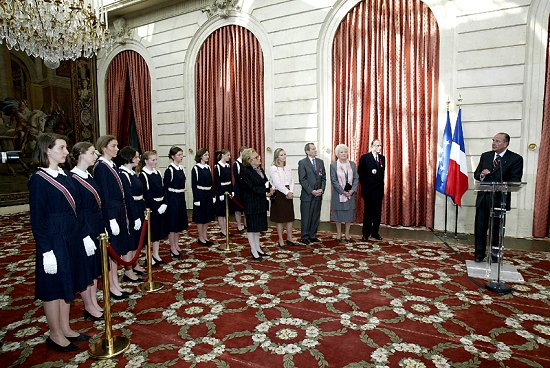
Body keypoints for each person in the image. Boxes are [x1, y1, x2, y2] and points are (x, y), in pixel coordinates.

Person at [29, 133, 88, 352]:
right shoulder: (38, 179)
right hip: (53, 239)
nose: (66, 152)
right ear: (48, 150)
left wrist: (82, 237)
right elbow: (37, 219)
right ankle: (54, 334)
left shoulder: (64, 176)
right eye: (62, 148)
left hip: (70, 236)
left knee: (67, 282)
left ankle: (65, 327)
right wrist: (46, 251)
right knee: (53, 287)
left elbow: (77, 208)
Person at [473, 132, 523, 262]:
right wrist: (482, 175)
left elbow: (515, 180)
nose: (494, 143)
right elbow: (476, 174)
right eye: (493, 140)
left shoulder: (515, 159)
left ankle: (495, 256)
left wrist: (499, 182)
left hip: (500, 199)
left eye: (498, 141)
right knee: (480, 227)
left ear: (506, 144)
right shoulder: (486, 156)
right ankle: (479, 254)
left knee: (496, 229)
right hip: (484, 197)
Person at [69, 142, 104, 321]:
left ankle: (94, 301)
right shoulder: (73, 178)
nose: (95, 156)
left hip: (95, 225)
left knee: (94, 266)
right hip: (84, 228)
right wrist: (84, 236)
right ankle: (88, 306)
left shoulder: (88, 175)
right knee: (85, 269)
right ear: (82, 154)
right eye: (92, 153)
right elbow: (75, 211)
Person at [94, 135, 131, 299]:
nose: (117, 149)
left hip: (119, 210)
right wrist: (111, 219)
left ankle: (115, 283)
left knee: (117, 251)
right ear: (104, 148)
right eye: (114, 146)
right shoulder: (101, 167)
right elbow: (105, 196)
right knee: (112, 252)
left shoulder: (111, 165)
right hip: (111, 213)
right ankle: (111, 286)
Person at [117, 146, 147, 280]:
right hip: (131, 209)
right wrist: (134, 216)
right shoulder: (123, 174)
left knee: (137, 238)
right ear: (129, 158)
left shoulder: (131, 172)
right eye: (136, 157)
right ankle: (128, 271)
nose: (138, 159)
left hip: (139, 206)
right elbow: (128, 197)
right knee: (130, 239)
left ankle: (134, 263)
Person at [240, 148, 275, 260]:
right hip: (251, 202)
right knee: (252, 227)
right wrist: (266, 193)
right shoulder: (245, 171)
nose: (259, 158)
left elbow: (264, 182)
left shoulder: (260, 169)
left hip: (260, 202)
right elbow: (251, 187)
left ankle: (258, 248)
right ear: (249, 160)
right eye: (256, 157)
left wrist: (269, 190)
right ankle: (253, 250)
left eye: (258, 156)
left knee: (258, 227)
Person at [139, 150, 169, 265]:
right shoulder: (143, 175)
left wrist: (165, 203)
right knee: (150, 233)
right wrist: (157, 208)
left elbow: (163, 189)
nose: (155, 162)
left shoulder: (158, 173)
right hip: (152, 208)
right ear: (146, 161)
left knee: (159, 232)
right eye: (153, 160)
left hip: (161, 206)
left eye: (156, 159)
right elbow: (146, 194)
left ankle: (156, 254)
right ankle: (148, 256)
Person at [298, 143, 326, 244]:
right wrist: (312, 191)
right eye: (313, 149)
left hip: (318, 194)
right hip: (307, 195)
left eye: (315, 149)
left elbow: (323, 178)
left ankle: (312, 235)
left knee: (315, 216)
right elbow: (302, 179)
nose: (315, 150)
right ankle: (304, 236)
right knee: (306, 216)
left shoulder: (320, 162)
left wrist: (321, 190)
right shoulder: (302, 163)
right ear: (307, 151)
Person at [269, 148, 298, 248]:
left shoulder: (288, 167)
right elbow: (277, 183)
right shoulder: (273, 168)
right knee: (280, 219)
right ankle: (280, 239)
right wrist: (287, 192)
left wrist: (291, 191)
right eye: (281, 155)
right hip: (279, 194)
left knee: (290, 218)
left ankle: (289, 238)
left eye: (285, 154)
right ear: (277, 157)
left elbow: (292, 180)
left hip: (288, 193)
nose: (284, 156)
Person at [330, 144, 359, 241]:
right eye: (341, 152)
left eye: (345, 152)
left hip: (350, 194)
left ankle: (347, 233)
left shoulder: (352, 164)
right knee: (338, 214)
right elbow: (334, 181)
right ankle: (338, 233)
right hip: (338, 194)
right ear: (337, 154)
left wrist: (352, 190)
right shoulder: (333, 165)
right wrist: (343, 192)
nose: (344, 154)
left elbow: (356, 178)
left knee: (349, 214)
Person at [163, 146, 189, 257]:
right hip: (172, 199)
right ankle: (172, 247)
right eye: (179, 154)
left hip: (180, 197)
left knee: (179, 224)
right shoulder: (169, 170)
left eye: (182, 154)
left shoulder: (181, 168)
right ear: (173, 156)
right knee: (173, 225)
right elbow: (166, 187)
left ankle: (177, 245)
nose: (181, 156)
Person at [358, 139, 385, 241]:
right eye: (377, 145)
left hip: (378, 191)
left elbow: (381, 174)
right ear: (372, 146)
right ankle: (366, 233)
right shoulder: (365, 158)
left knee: (377, 213)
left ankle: (375, 233)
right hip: (369, 191)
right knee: (368, 213)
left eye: (380, 145)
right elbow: (361, 173)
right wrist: (367, 185)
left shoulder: (382, 158)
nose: (379, 147)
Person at [192, 148, 215, 245]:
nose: (208, 156)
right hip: (200, 195)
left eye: (208, 155)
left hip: (208, 194)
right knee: (200, 217)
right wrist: (196, 199)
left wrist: (213, 195)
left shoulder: (208, 167)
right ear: (201, 156)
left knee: (207, 216)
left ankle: (205, 236)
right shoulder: (196, 168)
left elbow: (211, 182)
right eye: (206, 155)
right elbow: (194, 185)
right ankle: (200, 237)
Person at [214, 148, 234, 237]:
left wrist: (232, 190)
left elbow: (230, 179)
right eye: (228, 155)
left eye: (229, 155)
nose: (229, 157)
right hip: (221, 191)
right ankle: (222, 230)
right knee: (221, 212)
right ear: (222, 155)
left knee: (227, 212)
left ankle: (226, 229)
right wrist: (220, 193)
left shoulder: (228, 166)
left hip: (227, 190)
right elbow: (217, 181)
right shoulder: (217, 166)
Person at [232, 146, 247, 231]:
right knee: (238, 208)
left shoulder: (246, 163)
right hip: (239, 188)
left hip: (245, 189)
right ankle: (238, 225)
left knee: (245, 208)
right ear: (241, 153)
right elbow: (237, 177)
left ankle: (246, 224)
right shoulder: (236, 164)